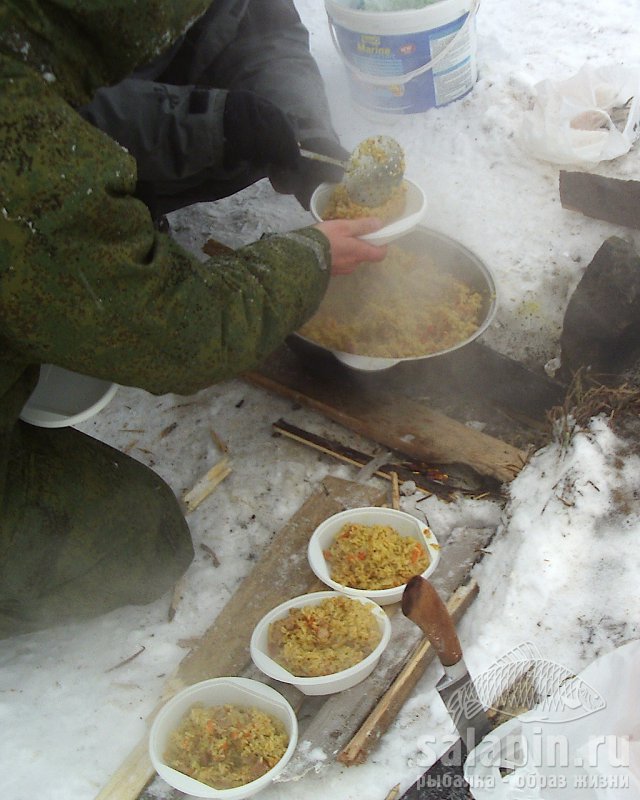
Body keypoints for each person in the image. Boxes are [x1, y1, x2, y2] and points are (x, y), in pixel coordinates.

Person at [0, 0, 386, 638]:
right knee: (143, 543)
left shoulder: (36, 46)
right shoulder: (25, 157)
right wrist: (311, 256)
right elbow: (179, 334)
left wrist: (298, 130)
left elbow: (253, 15)